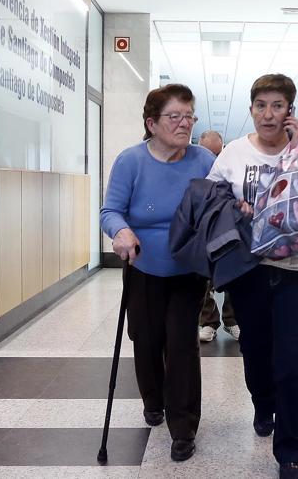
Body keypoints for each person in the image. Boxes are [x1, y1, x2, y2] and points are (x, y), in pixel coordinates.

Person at [206, 73, 298, 479]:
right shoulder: (233, 153)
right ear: (251, 110)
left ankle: (289, 449)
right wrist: (236, 211)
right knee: (256, 353)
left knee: (295, 361)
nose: (268, 115)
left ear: (290, 111)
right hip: (251, 271)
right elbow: (213, 201)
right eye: (261, 106)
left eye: (277, 106)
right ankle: (262, 402)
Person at [99, 84, 215, 463]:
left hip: (187, 269)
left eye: (190, 116)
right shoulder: (131, 161)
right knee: (146, 339)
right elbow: (110, 211)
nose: (185, 124)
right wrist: (121, 231)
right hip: (143, 265)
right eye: (175, 116)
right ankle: (153, 401)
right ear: (151, 123)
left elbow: (220, 203)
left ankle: (183, 428)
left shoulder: (202, 161)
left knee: (181, 343)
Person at [196, 130, 239, 344]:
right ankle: (208, 322)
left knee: (233, 274)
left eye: (217, 152)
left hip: (227, 227)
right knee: (204, 278)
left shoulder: (230, 163)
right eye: (209, 152)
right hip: (202, 229)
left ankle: (232, 321)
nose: (213, 158)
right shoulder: (194, 163)